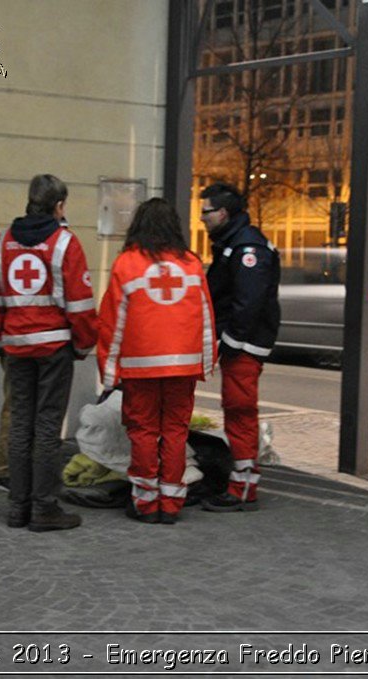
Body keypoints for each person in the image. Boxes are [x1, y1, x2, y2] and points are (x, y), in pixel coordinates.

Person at [0, 174, 97, 532]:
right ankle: (44, 508)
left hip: (16, 346)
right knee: (47, 426)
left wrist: (1, 335)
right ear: (59, 206)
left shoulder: (2, 242)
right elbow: (79, 303)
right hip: (54, 347)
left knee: (19, 423)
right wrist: (82, 344)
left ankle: (17, 507)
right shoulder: (64, 243)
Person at [97, 198, 216, 524]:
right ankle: (171, 503)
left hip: (141, 367)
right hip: (183, 367)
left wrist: (108, 372)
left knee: (144, 432)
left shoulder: (127, 264)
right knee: (176, 432)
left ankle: (146, 503)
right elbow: (207, 318)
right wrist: (207, 363)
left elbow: (112, 324)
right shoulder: (191, 264)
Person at [199, 182, 281, 512]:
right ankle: (242, 480)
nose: (202, 218)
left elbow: (248, 302)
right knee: (236, 408)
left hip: (244, 344)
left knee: (240, 409)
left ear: (222, 213)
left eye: (205, 212)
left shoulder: (247, 248)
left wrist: (230, 342)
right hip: (240, 342)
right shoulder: (235, 244)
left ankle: (243, 486)